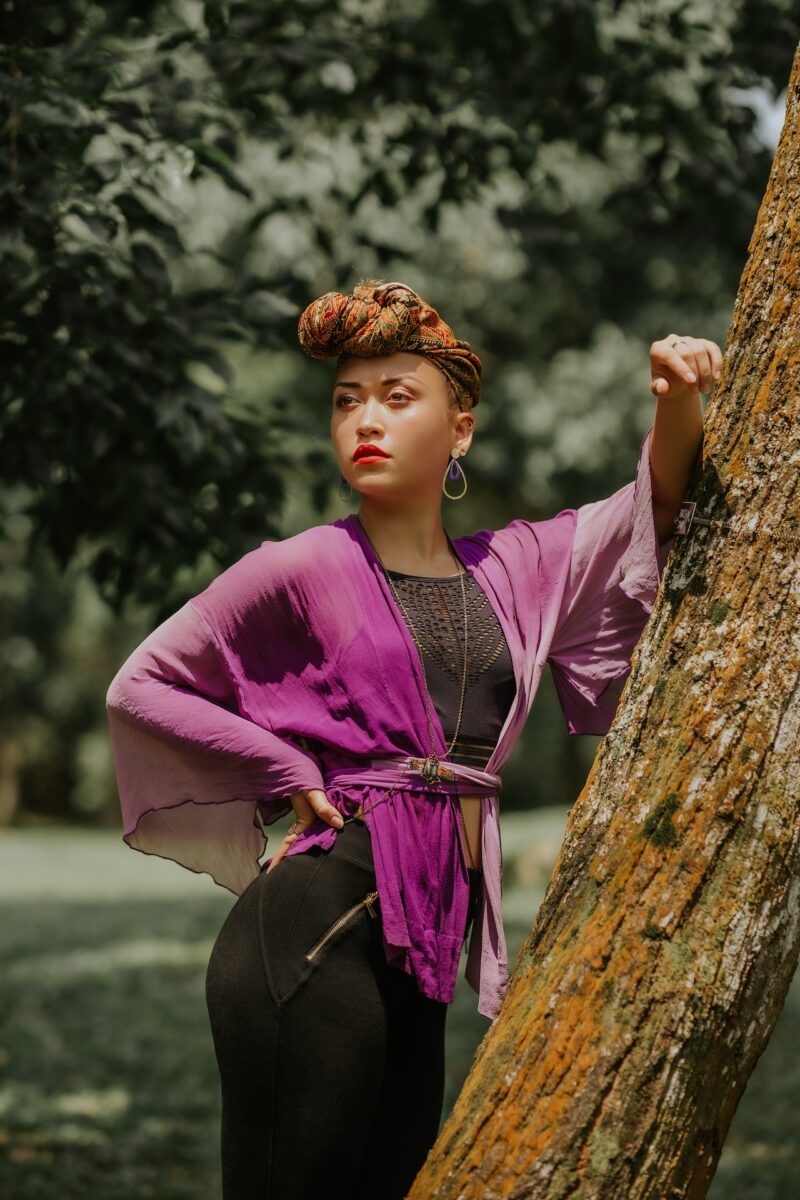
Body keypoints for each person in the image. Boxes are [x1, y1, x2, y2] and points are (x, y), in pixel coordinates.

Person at [105, 278, 715, 1198]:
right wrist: (283, 763)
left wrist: (676, 396)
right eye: (347, 401)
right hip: (309, 930)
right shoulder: (304, 564)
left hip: (425, 943)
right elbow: (140, 684)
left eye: (397, 396)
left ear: (460, 429)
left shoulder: (514, 568)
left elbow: (648, 509)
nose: (366, 420)